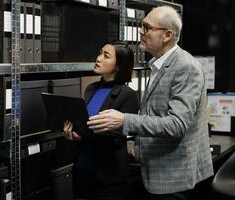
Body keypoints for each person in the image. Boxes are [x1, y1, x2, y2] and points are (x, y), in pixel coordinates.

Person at [87, 6, 214, 200]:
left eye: (147, 27)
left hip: (173, 178)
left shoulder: (186, 67)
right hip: (156, 171)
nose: (140, 31)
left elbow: (177, 124)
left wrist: (124, 120)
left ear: (167, 35)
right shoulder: (157, 65)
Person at [63, 41, 139, 200]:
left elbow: (119, 135)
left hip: (109, 176)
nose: (98, 58)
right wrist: (75, 134)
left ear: (118, 66)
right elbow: (84, 124)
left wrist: (87, 133)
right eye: (100, 53)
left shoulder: (128, 95)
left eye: (106, 56)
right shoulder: (91, 89)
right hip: (82, 170)